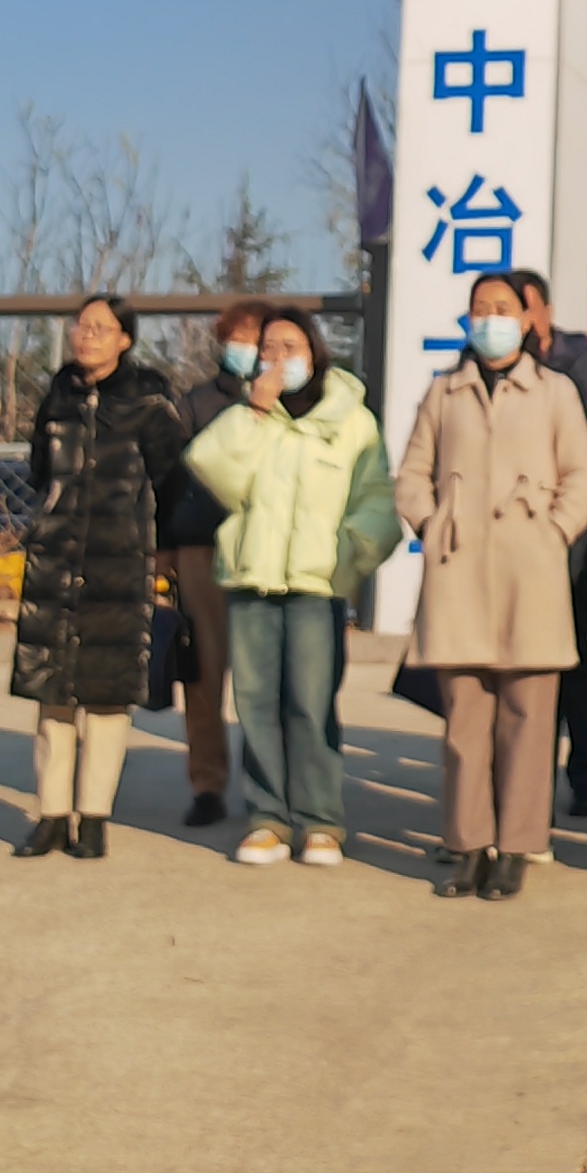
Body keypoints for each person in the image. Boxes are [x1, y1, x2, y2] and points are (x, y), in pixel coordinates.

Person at [393, 273, 587, 898]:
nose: (490, 318)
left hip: (529, 573)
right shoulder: (444, 392)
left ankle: (517, 845)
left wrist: (554, 532)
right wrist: (431, 524)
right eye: (480, 308)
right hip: (458, 571)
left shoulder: (555, 391)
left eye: (502, 308)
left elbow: (582, 476)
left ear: (527, 320)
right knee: (465, 724)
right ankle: (468, 846)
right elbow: (412, 473)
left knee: (528, 721)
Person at [184, 303, 397, 867]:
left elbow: (376, 499)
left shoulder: (351, 419)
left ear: (314, 353)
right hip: (252, 580)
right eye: (268, 349)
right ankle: (267, 819)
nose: (278, 359)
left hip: (316, 587)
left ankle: (321, 821)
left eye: (290, 348)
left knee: (310, 703)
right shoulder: (249, 415)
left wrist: (347, 562)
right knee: (255, 704)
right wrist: (254, 412)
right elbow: (212, 469)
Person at [9, 297, 189, 861]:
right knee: (53, 692)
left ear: (124, 340)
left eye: (100, 328)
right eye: (81, 325)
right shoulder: (58, 395)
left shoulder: (149, 402)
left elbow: (174, 483)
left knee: (107, 699)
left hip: (120, 563)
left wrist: (162, 554)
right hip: (56, 562)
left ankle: (93, 817)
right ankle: (51, 815)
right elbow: (39, 471)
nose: (86, 335)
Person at [511, 270, 587, 817]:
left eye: (523, 308)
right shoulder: (481, 366)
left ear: (545, 313)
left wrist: (571, 505)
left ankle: (585, 776)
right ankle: (516, 775)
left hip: (568, 533)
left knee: (571, 653)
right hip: (504, 534)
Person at [159, 301, 264, 828]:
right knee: (202, 675)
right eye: (237, 338)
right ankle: (207, 783)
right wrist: (165, 546)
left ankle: (268, 787)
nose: (247, 348)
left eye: (257, 339)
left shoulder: (286, 406)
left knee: (264, 679)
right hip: (202, 550)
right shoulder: (196, 404)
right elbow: (169, 479)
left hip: (265, 551)